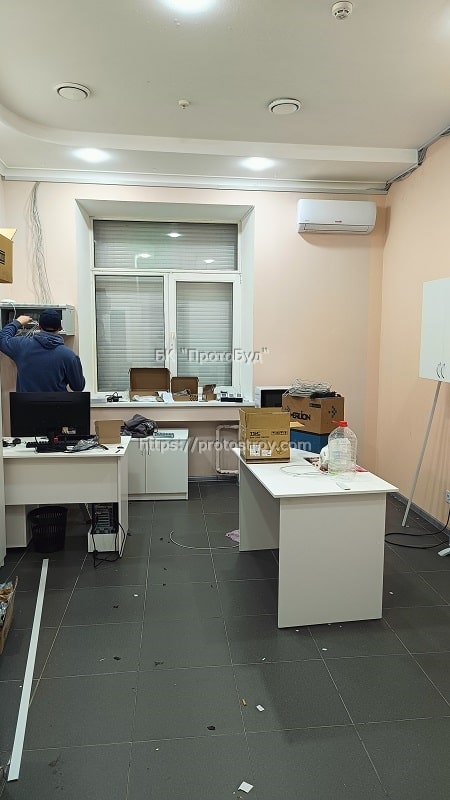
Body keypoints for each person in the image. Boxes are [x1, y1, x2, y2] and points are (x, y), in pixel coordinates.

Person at [0, 309, 85, 392]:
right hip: (57, 402)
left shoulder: (22, 346)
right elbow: (78, 387)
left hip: (26, 402)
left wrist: (18, 322)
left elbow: (2, 339)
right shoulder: (69, 356)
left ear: (39, 326)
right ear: (60, 327)